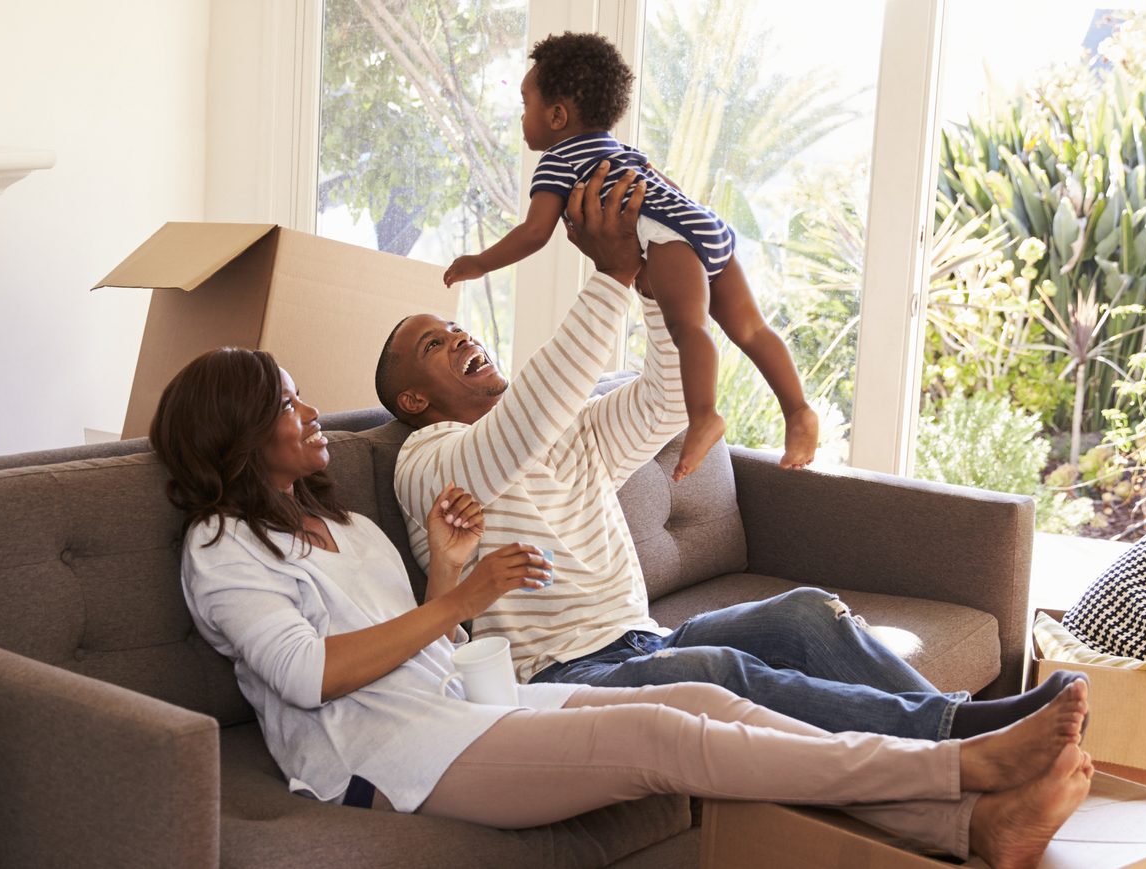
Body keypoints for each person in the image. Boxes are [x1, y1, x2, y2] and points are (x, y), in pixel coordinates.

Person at [149, 344, 1094, 868]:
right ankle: (956, 764)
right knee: (661, 736)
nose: (309, 413)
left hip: (456, 710)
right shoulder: (222, 548)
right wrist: (463, 595)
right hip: (384, 757)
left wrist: (448, 575)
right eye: (287, 404)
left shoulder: (344, 525)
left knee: (705, 700)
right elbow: (311, 676)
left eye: (303, 395)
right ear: (236, 431)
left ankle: (970, 827)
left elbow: (427, 645)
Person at [383, 150, 1075, 743]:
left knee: (806, 611)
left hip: (643, 637)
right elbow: (517, 431)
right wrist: (609, 275)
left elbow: (667, 399)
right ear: (413, 398)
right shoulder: (426, 462)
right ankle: (964, 734)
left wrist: (651, 282)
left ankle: (969, 731)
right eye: (434, 344)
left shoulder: (568, 428)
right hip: (561, 676)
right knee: (721, 673)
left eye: (458, 327)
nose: (461, 337)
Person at [443, 31, 815, 479]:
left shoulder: (558, 162)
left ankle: (704, 416)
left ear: (557, 115)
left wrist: (479, 263)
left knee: (689, 327)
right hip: (703, 222)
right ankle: (798, 411)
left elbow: (535, 232)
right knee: (752, 329)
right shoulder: (621, 151)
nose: (521, 117)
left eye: (526, 104)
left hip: (668, 237)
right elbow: (667, 187)